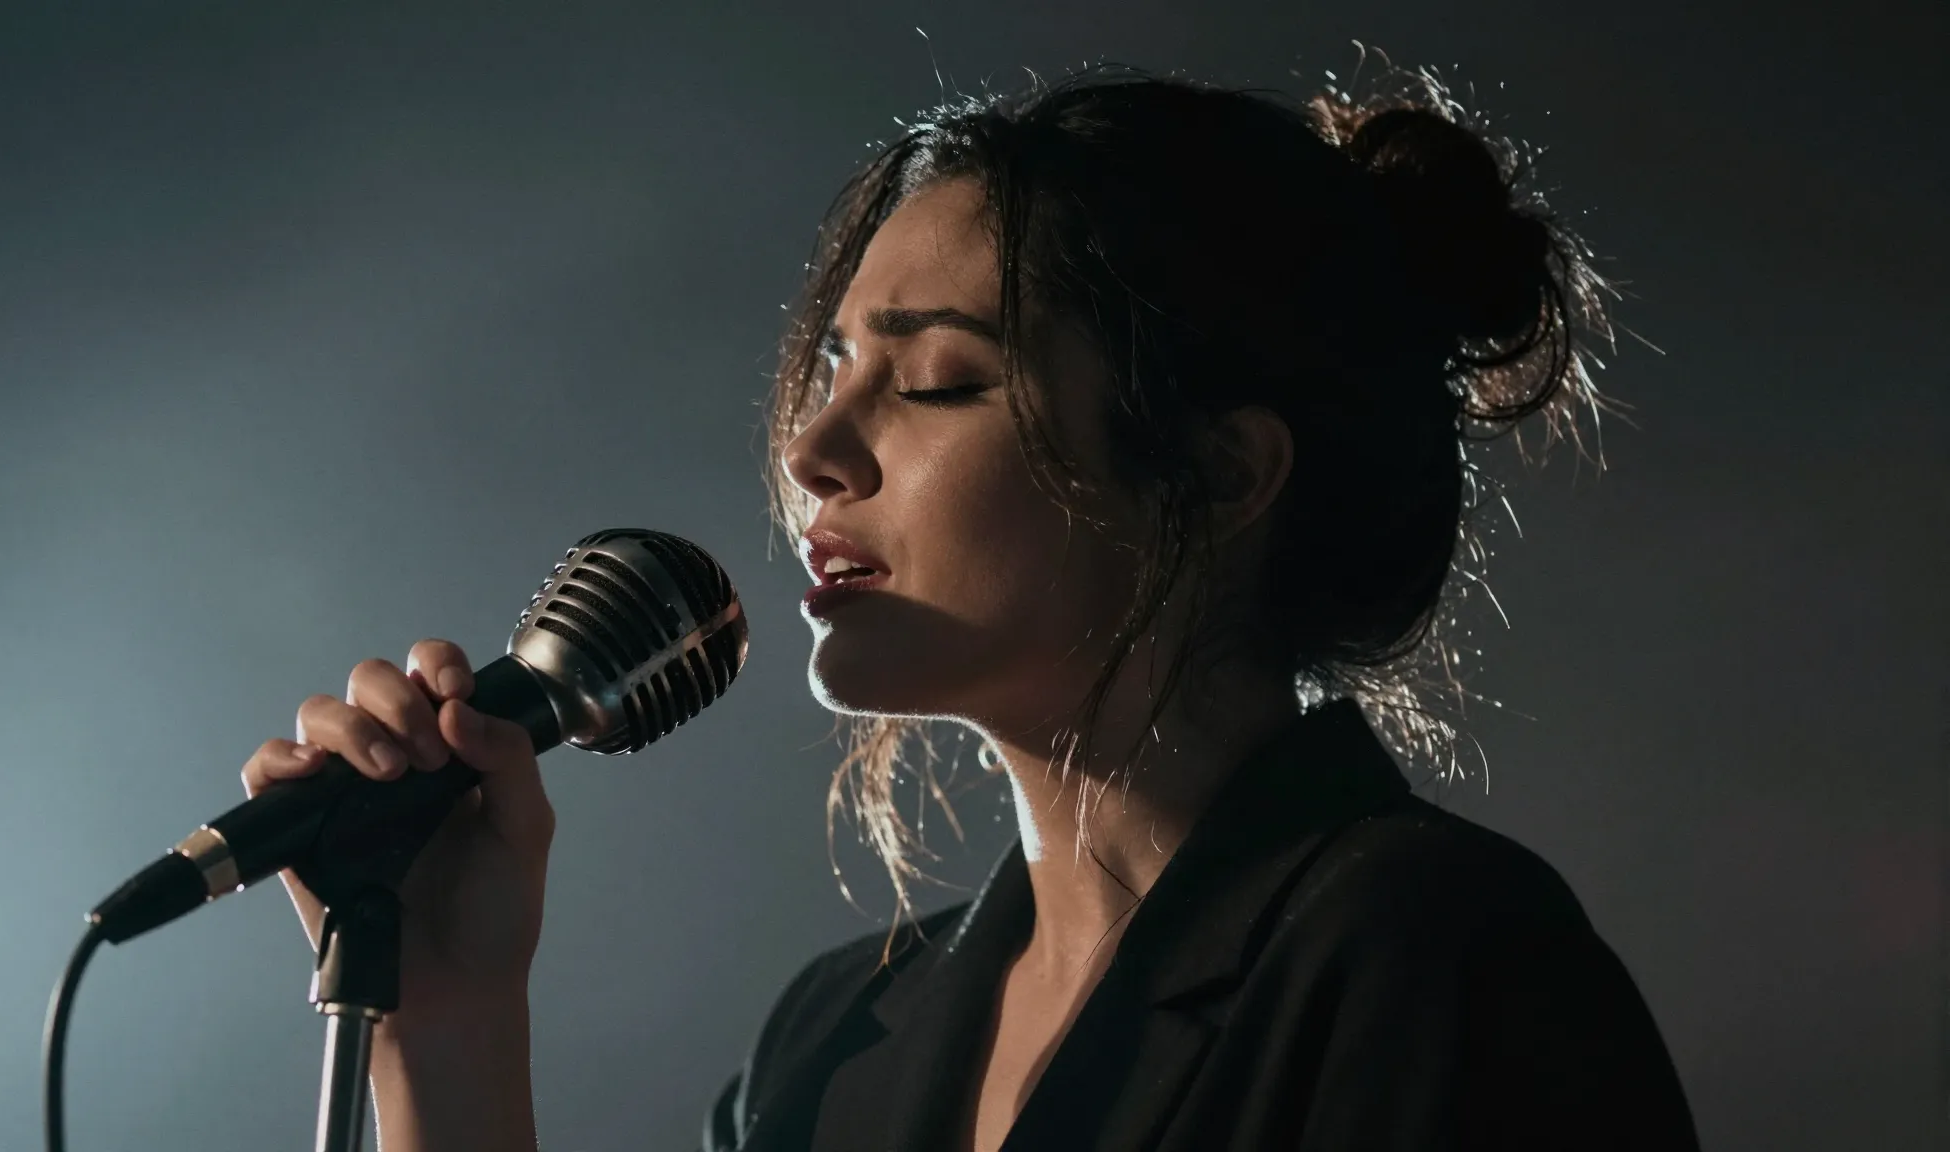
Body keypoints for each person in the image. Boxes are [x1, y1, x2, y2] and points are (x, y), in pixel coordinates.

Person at [240, 63, 1703, 1152]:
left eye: (938, 380)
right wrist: (448, 1025)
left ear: (1218, 472)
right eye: (831, 374)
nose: (816, 451)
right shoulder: (831, 1046)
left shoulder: (1435, 962)